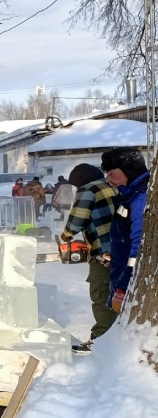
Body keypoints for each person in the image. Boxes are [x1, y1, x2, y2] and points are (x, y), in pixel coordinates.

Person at [60, 163, 118, 352]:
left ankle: (101, 342)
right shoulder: (111, 186)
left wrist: (66, 235)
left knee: (101, 295)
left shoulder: (88, 190)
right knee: (119, 295)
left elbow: (77, 221)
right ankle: (117, 340)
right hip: (121, 250)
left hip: (104, 253)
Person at [102, 147, 150, 316]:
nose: (108, 179)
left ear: (128, 170)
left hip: (131, 288)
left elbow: (140, 248)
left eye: (111, 173)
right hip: (122, 276)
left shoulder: (141, 198)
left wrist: (122, 287)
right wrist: (113, 252)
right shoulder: (128, 196)